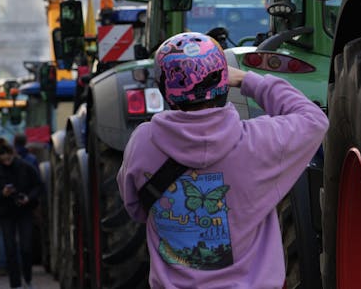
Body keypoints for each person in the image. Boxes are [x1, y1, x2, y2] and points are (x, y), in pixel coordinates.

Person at [117, 32, 328, 288]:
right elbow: (314, 120)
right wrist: (248, 80)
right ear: (224, 84)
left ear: (165, 90)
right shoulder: (259, 143)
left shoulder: (143, 144)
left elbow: (136, 209)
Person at [0, 138, 42, 289]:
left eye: (8, 158)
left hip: (24, 211)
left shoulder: (25, 167)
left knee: (26, 247)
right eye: (3, 159)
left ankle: (27, 279)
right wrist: (2, 193)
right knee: (10, 248)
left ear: (13, 155)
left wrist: (28, 198)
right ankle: (15, 283)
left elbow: (38, 185)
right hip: (5, 213)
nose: (6, 162)